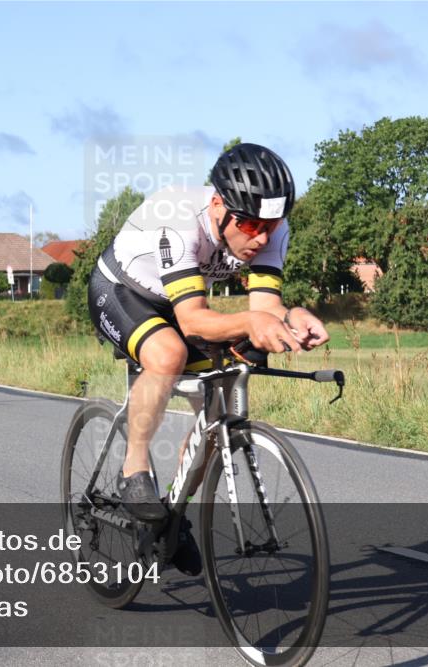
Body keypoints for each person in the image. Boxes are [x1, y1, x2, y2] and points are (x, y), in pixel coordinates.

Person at [87, 143, 330, 574]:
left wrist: (292, 317)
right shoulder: (179, 217)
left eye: (271, 227)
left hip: (183, 302)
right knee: (168, 354)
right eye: (251, 225)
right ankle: (133, 472)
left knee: (219, 411)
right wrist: (251, 322)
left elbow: (265, 305)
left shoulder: (271, 231)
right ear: (218, 205)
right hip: (123, 291)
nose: (262, 238)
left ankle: (172, 516)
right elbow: (193, 321)